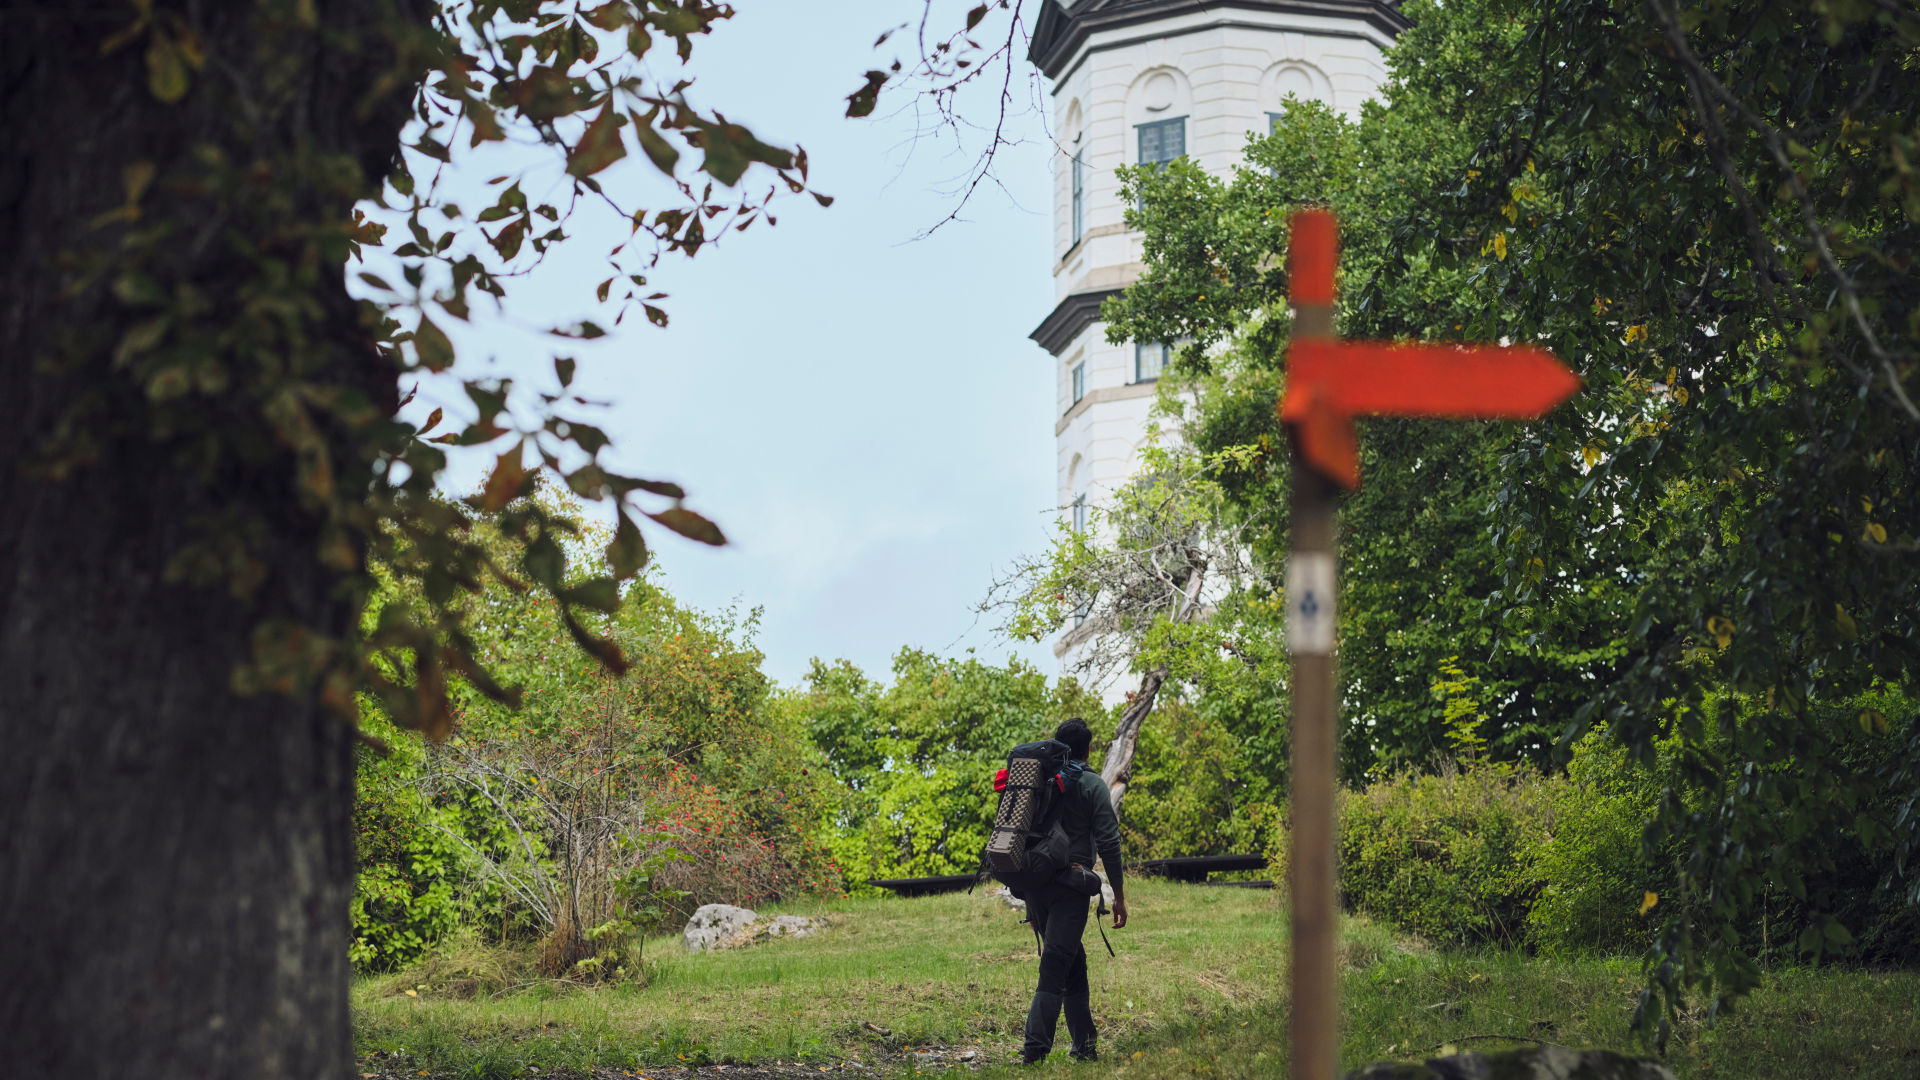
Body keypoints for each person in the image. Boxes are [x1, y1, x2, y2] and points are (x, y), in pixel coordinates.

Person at [1022, 717, 1128, 1064]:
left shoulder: (1042, 782)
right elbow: (1110, 843)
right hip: (1070, 887)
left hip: (1036, 885)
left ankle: (1084, 1045)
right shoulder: (1093, 785)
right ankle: (1034, 1050)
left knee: (1072, 963)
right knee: (1056, 964)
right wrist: (1121, 897)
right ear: (1089, 748)